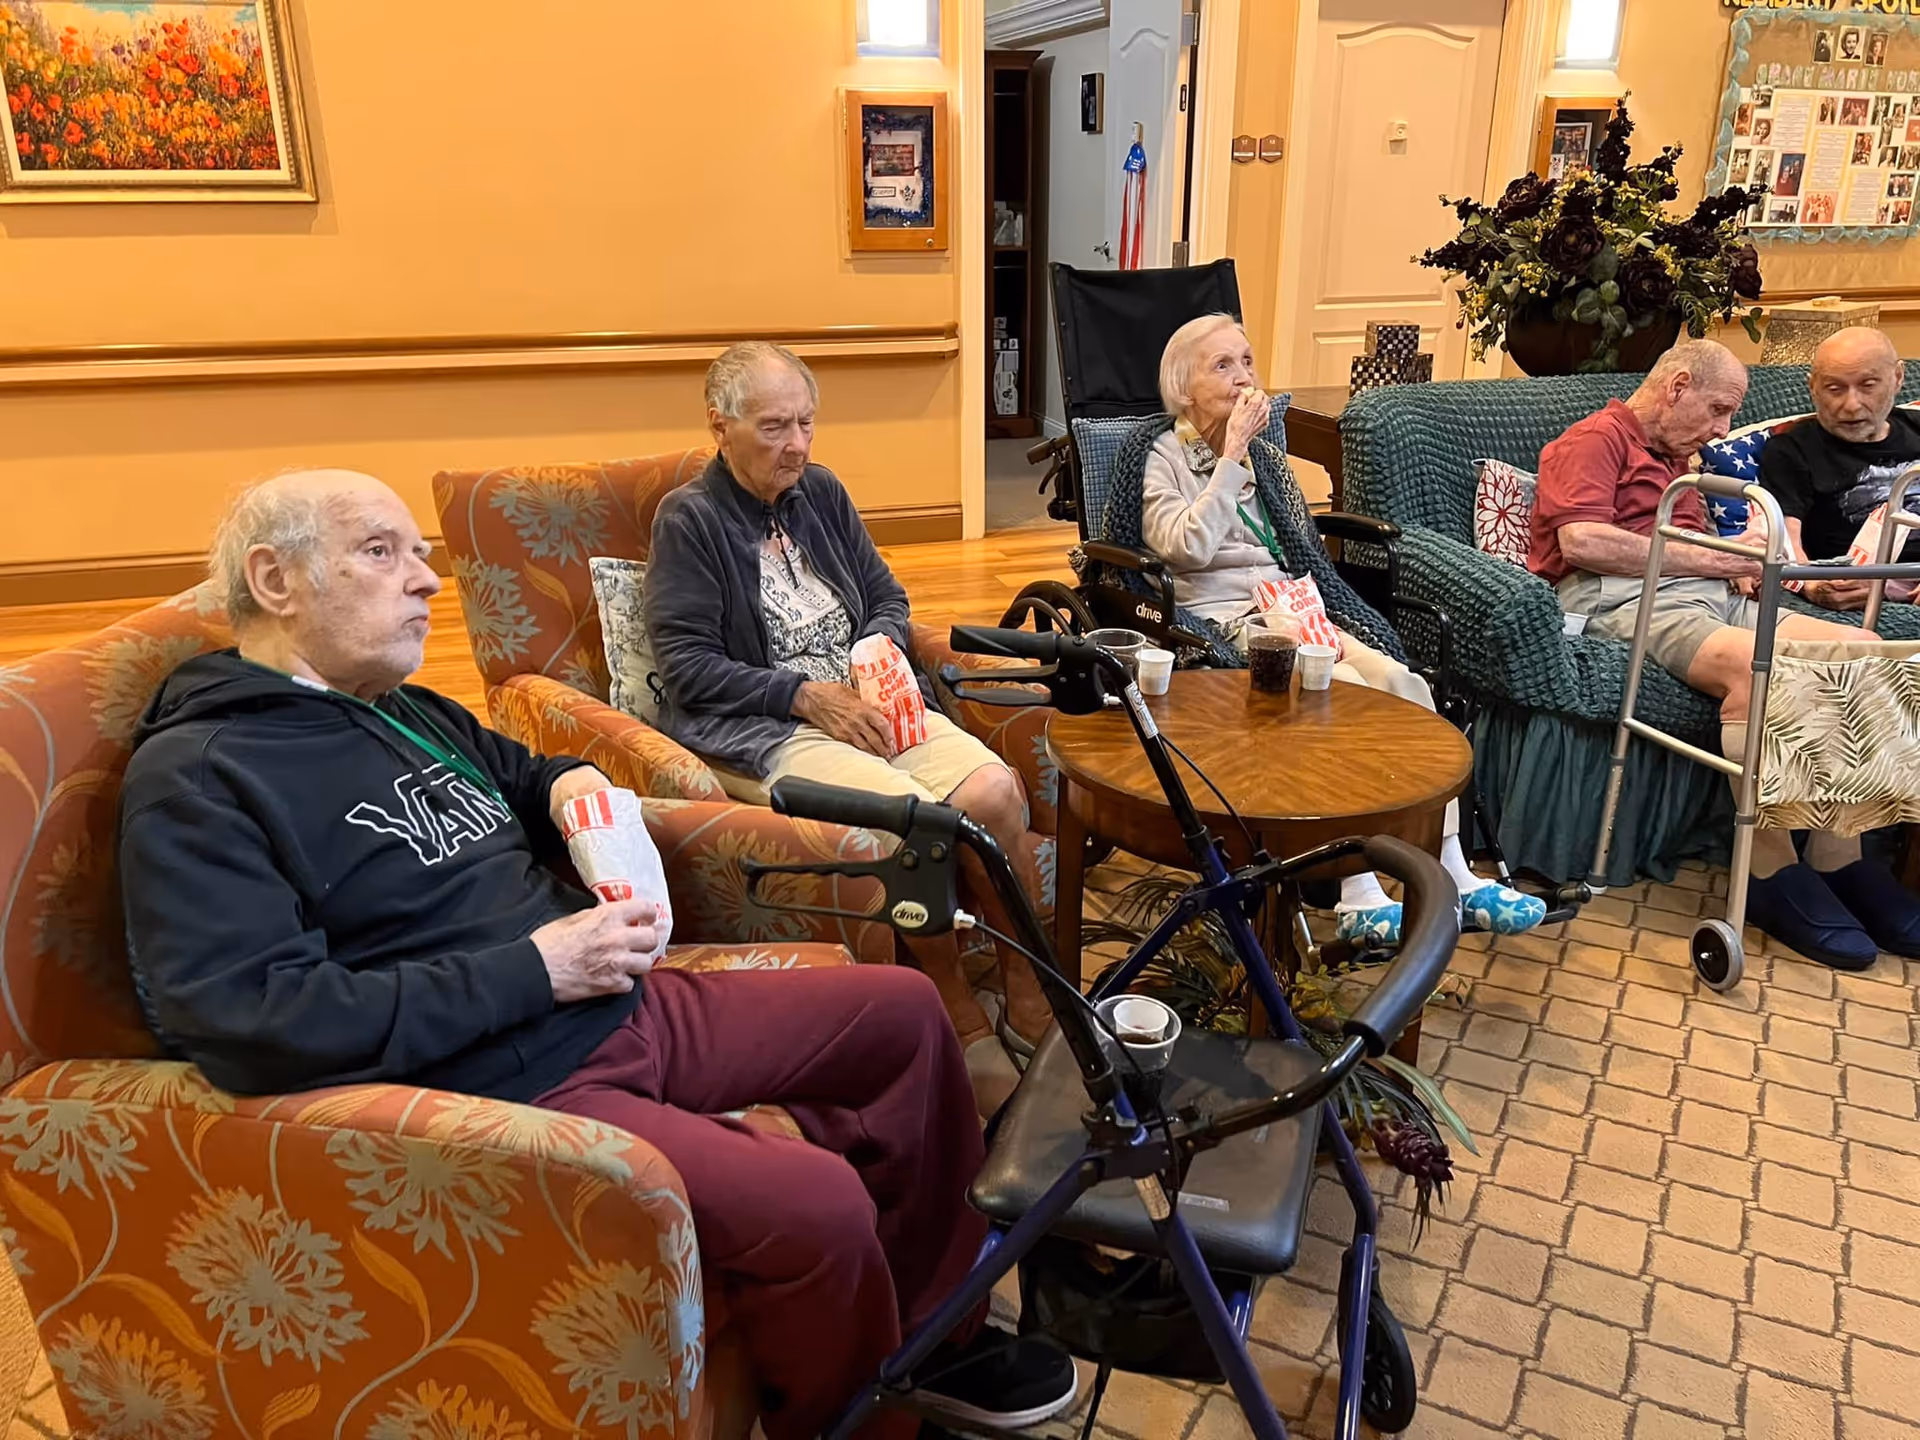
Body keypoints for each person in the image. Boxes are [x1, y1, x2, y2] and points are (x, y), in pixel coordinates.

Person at [117, 469, 1079, 1440]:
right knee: (814, 1203)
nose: (426, 579)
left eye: (419, 551)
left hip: (612, 998)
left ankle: (933, 1336)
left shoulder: (401, 707)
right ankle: (865, 1425)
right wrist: (536, 969)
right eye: (380, 551)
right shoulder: (199, 776)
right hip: (499, 1080)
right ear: (275, 580)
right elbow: (252, 1018)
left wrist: (573, 787)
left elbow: (528, 772)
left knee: (901, 1014)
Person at [643, 342, 1050, 1103]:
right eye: (774, 427)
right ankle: (958, 1015)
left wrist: (875, 652)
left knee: (993, 792)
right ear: (720, 426)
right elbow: (689, 666)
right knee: (917, 822)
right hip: (769, 724)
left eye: (805, 423)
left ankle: (1027, 985)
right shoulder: (690, 520)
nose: (796, 445)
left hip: (868, 699)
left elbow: (887, 597)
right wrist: (806, 695)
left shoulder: (821, 492)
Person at [1132, 313, 1547, 946]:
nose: (1243, 377)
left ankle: (1454, 871)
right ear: (1184, 387)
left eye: (1247, 361)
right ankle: (1359, 892)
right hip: (1225, 620)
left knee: (1404, 685)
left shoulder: (1267, 457)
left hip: (1294, 607)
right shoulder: (1162, 456)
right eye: (1223, 365)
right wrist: (1230, 457)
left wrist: (1249, 456)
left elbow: (1299, 542)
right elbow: (1186, 547)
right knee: (1345, 689)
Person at [1531, 339, 1920, 968]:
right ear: (1677, 386)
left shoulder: (1677, 458)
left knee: (1862, 650)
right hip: (1623, 596)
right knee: (1759, 666)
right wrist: (1719, 559)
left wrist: (1739, 561)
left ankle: (1837, 857)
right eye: (1719, 410)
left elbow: (1698, 549)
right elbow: (1583, 542)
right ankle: (1766, 870)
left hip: (1707, 592)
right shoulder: (1595, 439)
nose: (1723, 429)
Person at [1758, 327, 1920, 609]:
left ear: (1897, 377)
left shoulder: (1915, 426)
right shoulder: (1791, 450)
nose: (1851, 405)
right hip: (1864, 581)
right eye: (1834, 389)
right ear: (1812, 387)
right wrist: (1810, 584)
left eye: (1868, 385)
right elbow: (1783, 540)